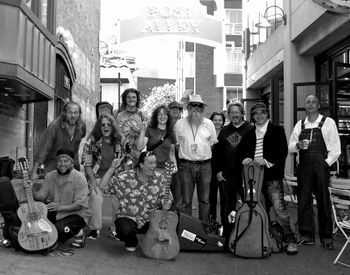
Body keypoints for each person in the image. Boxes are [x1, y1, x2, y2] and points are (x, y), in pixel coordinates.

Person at [239, 102, 298, 255]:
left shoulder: (277, 131)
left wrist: (266, 161)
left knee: (279, 209)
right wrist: (245, 158)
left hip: (272, 176)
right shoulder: (249, 134)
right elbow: (242, 152)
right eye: (256, 113)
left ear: (267, 114)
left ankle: (291, 239)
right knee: (260, 209)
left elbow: (282, 152)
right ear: (252, 117)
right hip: (254, 178)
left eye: (262, 112)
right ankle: (264, 238)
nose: (259, 116)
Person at [288, 95, 341, 250]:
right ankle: (306, 235)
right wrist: (298, 145)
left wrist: (325, 164)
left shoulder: (328, 122)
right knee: (303, 200)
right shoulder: (300, 124)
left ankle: (326, 237)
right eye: (308, 102)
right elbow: (290, 146)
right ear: (305, 106)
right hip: (303, 167)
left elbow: (336, 149)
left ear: (319, 105)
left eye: (313, 102)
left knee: (323, 200)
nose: (310, 104)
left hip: (321, 166)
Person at [100, 151, 170, 252]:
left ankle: (154, 239)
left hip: (150, 220)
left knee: (174, 215)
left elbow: (167, 199)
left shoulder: (160, 178)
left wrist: (167, 204)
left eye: (155, 162)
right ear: (141, 165)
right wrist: (112, 168)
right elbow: (102, 186)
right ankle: (132, 239)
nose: (154, 166)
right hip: (129, 218)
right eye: (150, 163)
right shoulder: (125, 177)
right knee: (125, 230)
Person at [27, 149, 90, 252]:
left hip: (75, 215)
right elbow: (41, 196)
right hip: (55, 213)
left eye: (66, 161)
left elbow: (79, 205)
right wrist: (31, 189)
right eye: (59, 161)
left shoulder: (80, 178)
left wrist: (59, 207)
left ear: (72, 163)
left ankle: (80, 231)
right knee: (34, 223)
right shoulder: (50, 176)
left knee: (58, 230)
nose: (62, 164)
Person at [174, 94, 217, 223]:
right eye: (193, 105)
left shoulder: (209, 123)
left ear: (203, 108)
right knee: (186, 200)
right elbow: (177, 145)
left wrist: (201, 154)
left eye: (199, 105)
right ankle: (186, 229)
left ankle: (203, 228)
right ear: (188, 107)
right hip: (186, 166)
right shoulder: (179, 124)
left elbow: (212, 144)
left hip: (205, 166)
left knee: (204, 200)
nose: (196, 107)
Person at [212, 102, 253, 237]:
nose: (235, 115)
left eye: (237, 112)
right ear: (228, 115)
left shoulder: (250, 129)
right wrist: (217, 171)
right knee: (227, 206)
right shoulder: (224, 130)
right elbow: (217, 154)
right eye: (232, 112)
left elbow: (255, 150)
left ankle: (246, 232)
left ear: (242, 113)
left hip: (245, 175)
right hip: (227, 175)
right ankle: (228, 233)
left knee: (246, 203)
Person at [81, 114, 125, 240]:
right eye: (103, 124)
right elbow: (87, 163)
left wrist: (124, 181)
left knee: (118, 199)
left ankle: (115, 229)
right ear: (99, 127)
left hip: (116, 176)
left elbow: (128, 161)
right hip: (97, 175)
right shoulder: (92, 141)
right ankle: (95, 229)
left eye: (109, 124)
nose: (106, 127)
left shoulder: (120, 140)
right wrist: (93, 182)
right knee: (95, 196)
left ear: (113, 126)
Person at [31, 101, 86, 180]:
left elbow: (76, 147)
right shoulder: (54, 127)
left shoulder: (82, 127)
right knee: (53, 189)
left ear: (79, 114)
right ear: (64, 113)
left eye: (76, 113)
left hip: (71, 166)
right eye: (70, 113)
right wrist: (34, 171)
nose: (73, 116)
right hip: (53, 164)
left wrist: (76, 167)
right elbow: (43, 148)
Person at [116, 88, 145, 167]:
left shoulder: (142, 115)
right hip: (124, 156)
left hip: (138, 155)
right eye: (128, 97)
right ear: (125, 99)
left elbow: (146, 135)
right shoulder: (119, 116)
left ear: (137, 99)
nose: (131, 99)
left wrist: (138, 131)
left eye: (134, 97)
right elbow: (117, 134)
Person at [208, 112, 226, 226]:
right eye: (215, 120)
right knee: (211, 198)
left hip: (223, 170)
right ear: (211, 121)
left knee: (225, 198)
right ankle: (212, 222)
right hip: (209, 170)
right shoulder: (207, 134)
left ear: (223, 121)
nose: (217, 122)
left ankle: (225, 223)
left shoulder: (226, 133)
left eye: (220, 120)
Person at [167, 101, 183, 211]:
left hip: (181, 160)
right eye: (173, 109)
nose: (175, 111)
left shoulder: (184, 124)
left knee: (179, 189)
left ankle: (178, 216)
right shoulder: (165, 124)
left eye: (178, 109)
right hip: (167, 160)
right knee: (166, 190)